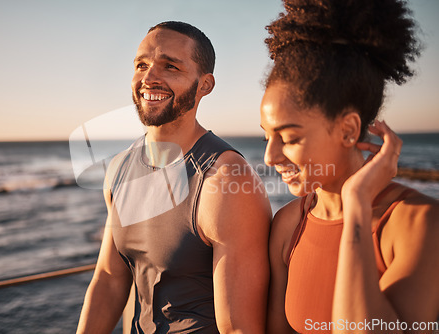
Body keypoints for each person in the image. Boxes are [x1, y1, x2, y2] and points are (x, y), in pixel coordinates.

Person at [77, 21, 271, 333]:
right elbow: (109, 279)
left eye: (170, 67)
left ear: (204, 85)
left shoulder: (225, 182)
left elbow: (239, 328)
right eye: (142, 65)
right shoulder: (119, 168)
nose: (149, 78)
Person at [261, 1, 439, 333]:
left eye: (288, 137)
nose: (270, 157)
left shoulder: (419, 223)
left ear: (348, 130)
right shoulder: (288, 224)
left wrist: (356, 203)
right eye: (266, 137)